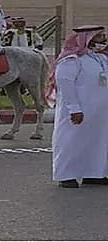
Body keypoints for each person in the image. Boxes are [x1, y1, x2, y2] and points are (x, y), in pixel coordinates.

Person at [47, 25, 108, 188]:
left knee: (98, 142)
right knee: (70, 142)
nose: (103, 39)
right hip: (77, 111)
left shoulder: (101, 59)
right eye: (100, 36)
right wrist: (74, 109)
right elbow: (65, 85)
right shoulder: (71, 60)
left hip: (99, 113)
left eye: (104, 36)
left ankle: (93, 174)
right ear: (87, 38)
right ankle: (66, 175)